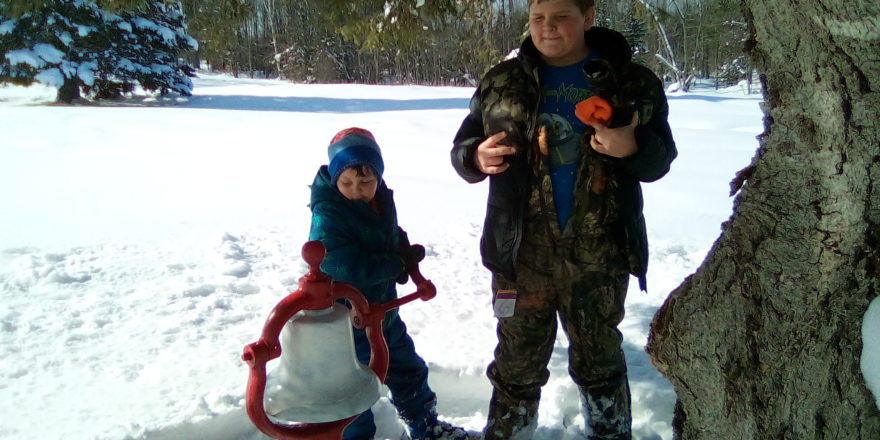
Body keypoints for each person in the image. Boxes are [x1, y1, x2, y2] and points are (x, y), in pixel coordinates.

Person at [450, 0, 677, 439]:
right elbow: (464, 148)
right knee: (517, 364)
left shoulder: (629, 82)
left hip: (599, 254)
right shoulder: (502, 81)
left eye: (561, 17)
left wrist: (632, 148)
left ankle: (609, 432)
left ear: (588, 17)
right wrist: (475, 158)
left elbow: (660, 159)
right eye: (538, 18)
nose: (547, 28)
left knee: (600, 362)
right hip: (521, 255)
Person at [310, 127, 468, 440]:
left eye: (366, 181)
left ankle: (426, 424)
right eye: (347, 183)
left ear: (379, 176)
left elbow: (388, 232)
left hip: (383, 312)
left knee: (407, 368)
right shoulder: (328, 213)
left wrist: (402, 247)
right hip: (347, 321)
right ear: (335, 178)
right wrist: (392, 264)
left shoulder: (381, 199)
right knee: (353, 386)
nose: (357, 189)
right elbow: (341, 265)